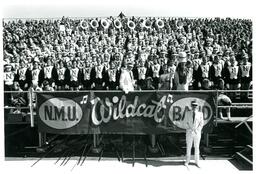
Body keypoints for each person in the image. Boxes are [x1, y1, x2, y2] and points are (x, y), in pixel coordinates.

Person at [174, 100, 204, 168]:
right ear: (191, 106)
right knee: (189, 147)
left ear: (197, 106)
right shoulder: (187, 113)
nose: (194, 107)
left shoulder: (200, 114)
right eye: (193, 105)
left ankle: (197, 162)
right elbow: (185, 122)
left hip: (197, 132)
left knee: (197, 147)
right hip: (189, 132)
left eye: (195, 105)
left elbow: (201, 124)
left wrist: (196, 130)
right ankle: (187, 161)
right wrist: (190, 129)